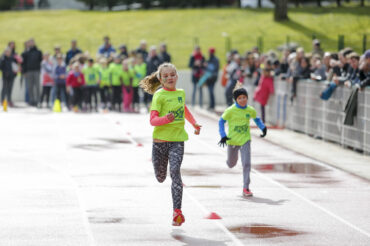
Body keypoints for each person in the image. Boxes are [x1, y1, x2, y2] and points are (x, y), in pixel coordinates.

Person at [140, 63, 201, 226]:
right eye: (165, 76)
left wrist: (194, 123)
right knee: (161, 177)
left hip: (177, 141)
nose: (169, 78)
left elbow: (184, 109)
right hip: (160, 142)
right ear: (160, 79)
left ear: (177, 76)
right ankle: (161, 174)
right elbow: (152, 120)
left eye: (172, 75)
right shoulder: (159, 96)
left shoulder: (181, 93)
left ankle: (177, 212)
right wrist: (166, 119)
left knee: (175, 172)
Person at [218, 82, 267, 197]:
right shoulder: (230, 110)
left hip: (245, 140)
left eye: (244, 97)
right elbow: (221, 121)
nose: (242, 100)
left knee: (246, 163)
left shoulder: (250, 110)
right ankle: (229, 161)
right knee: (231, 164)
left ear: (247, 98)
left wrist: (263, 128)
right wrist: (223, 135)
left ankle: (246, 187)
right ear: (235, 100)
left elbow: (257, 119)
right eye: (239, 98)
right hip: (232, 141)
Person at [23, 39, 43, 106]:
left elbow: (41, 61)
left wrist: (40, 70)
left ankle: (38, 100)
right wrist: (24, 71)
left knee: (37, 86)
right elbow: (24, 63)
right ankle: (31, 100)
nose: (31, 43)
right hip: (29, 71)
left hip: (36, 71)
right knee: (30, 87)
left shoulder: (38, 52)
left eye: (32, 42)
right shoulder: (26, 52)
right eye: (30, 42)